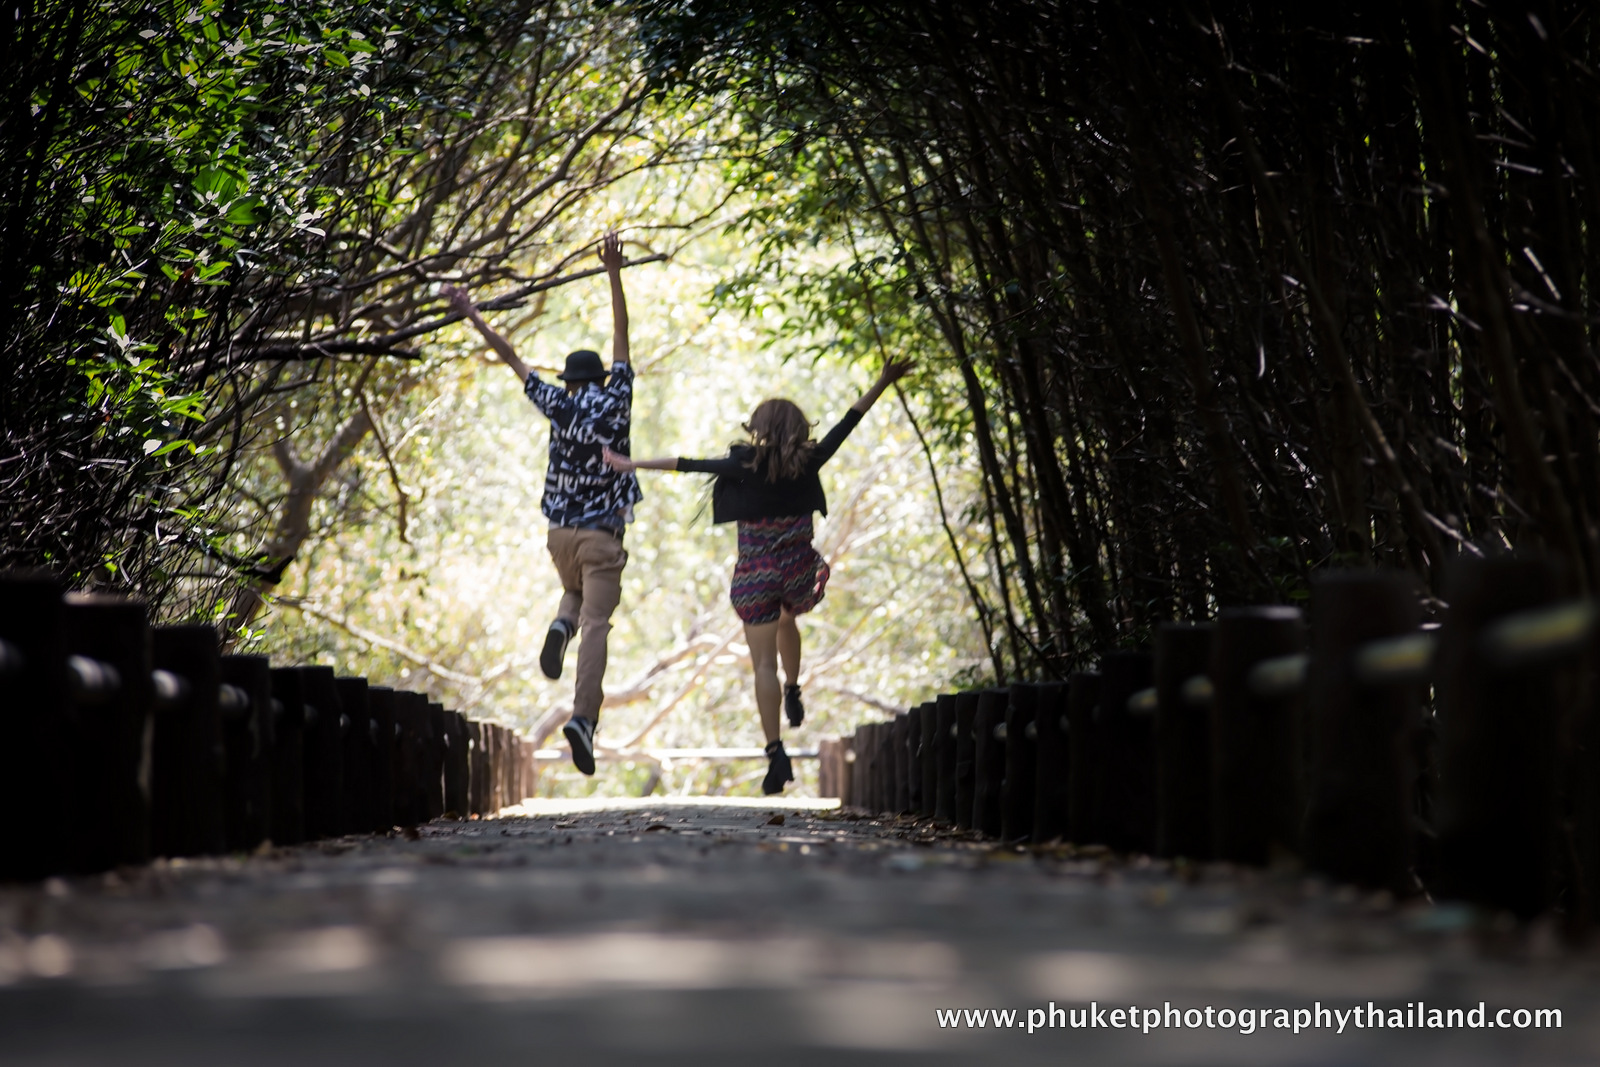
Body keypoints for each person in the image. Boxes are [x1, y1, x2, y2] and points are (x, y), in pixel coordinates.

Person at [603, 358, 914, 794]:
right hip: (799, 572)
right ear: (799, 427)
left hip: (755, 575)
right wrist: (883, 380)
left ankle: (775, 753)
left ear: (759, 427)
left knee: (761, 662)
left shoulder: (743, 463)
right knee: (790, 618)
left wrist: (630, 463)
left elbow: (688, 464)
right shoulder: (811, 459)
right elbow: (850, 421)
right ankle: (794, 686)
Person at [444, 232, 640, 776]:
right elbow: (622, 335)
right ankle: (582, 719)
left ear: (569, 381)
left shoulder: (557, 402)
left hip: (560, 536)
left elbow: (512, 358)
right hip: (603, 536)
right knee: (597, 622)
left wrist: (471, 313)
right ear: (600, 378)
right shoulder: (618, 398)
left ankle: (559, 625)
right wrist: (614, 273)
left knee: (572, 594)